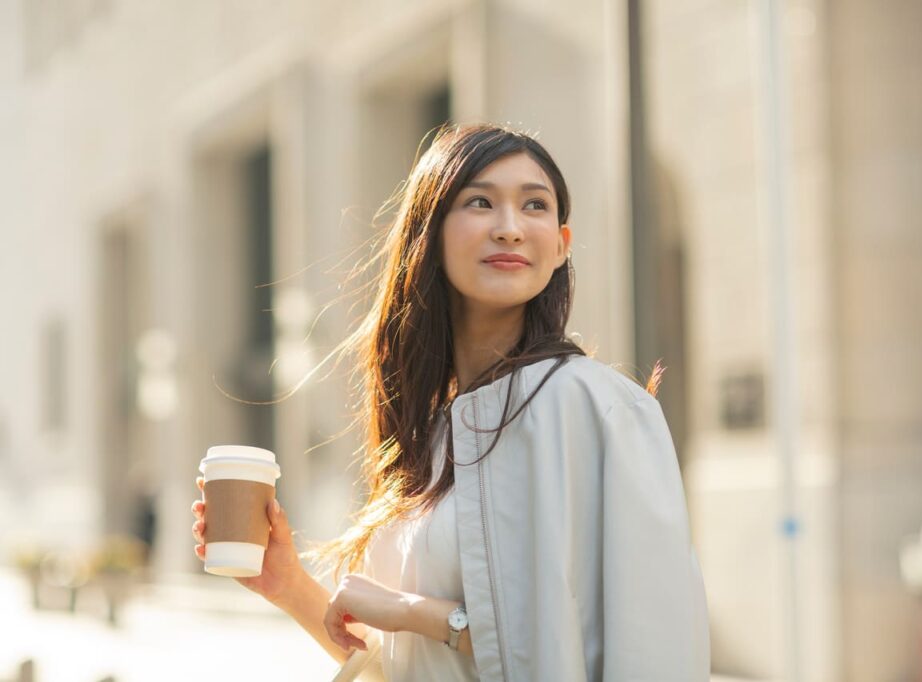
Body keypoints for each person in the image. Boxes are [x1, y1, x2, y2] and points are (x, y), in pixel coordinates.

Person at [191, 122, 709, 680]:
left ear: (560, 247)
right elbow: (408, 665)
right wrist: (288, 583)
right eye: (481, 202)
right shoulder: (431, 435)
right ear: (430, 233)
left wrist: (419, 614)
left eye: (535, 206)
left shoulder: (598, 408)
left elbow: (649, 653)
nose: (510, 228)